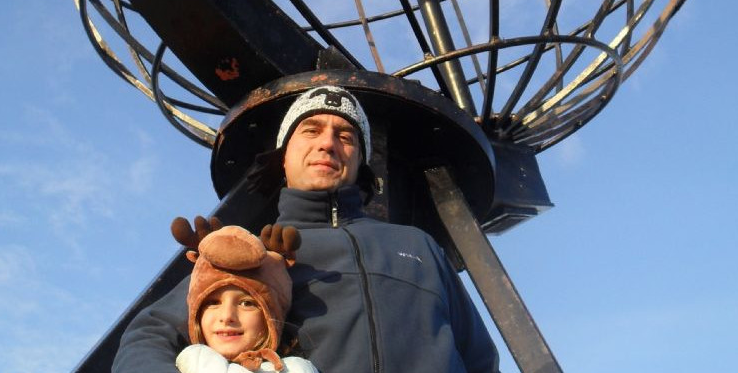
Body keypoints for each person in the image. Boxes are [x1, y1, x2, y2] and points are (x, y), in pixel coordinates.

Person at [112, 85, 500, 373]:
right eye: (311, 130)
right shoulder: (252, 253)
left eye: (345, 136)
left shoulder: (418, 246)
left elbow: (480, 360)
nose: (328, 144)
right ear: (284, 156)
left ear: (360, 161)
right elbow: (148, 335)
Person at [170, 221, 317, 373]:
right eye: (213, 302)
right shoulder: (191, 359)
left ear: (271, 318)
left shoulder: (294, 368)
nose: (227, 316)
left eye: (246, 303)